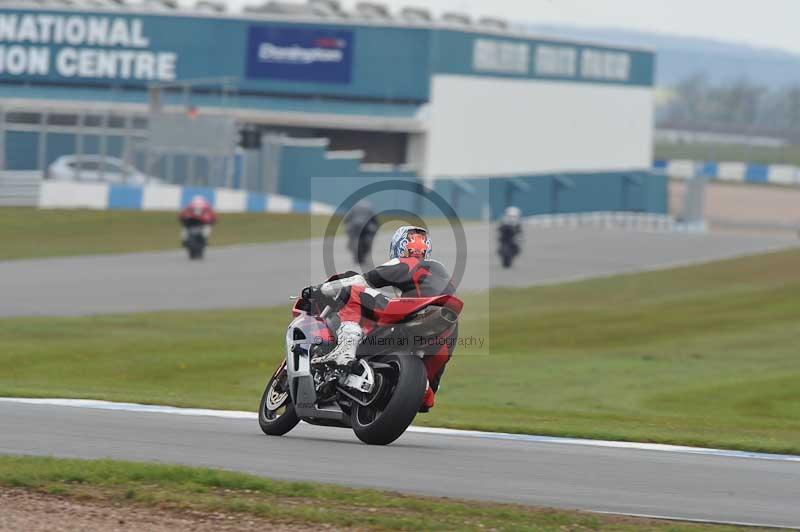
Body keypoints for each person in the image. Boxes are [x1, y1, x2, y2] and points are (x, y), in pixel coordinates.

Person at [304, 226, 457, 412]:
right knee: (428, 393)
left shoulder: (405, 262)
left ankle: (346, 348)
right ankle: (422, 389)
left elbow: (362, 281)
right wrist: (418, 388)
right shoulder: (442, 272)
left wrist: (321, 289)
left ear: (398, 246)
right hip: (447, 323)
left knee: (354, 291)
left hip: (415, 311)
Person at [343, 201, 379, 266]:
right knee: (357, 241)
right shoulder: (369, 207)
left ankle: (358, 256)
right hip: (360, 228)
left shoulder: (354, 208)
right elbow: (375, 219)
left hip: (360, 228)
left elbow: (347, 219)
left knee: (356, 241)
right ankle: (358, 256)